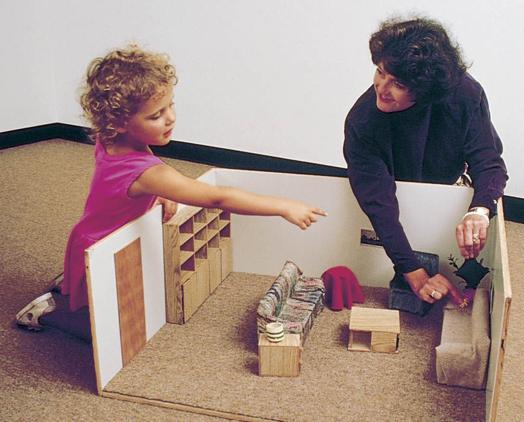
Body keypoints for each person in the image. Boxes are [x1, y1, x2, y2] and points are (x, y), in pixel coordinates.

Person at [15, 45, 326, 340]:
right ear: (119, 123)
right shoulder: (149, 173)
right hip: (103, 249)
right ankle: (46, 312)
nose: (170, 118)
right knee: (116, 334)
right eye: (155, 115)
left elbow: (120, 189)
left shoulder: (110, 140)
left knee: (110, 302)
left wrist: (155, 195)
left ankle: (71, 287)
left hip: (89, 236)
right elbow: (218, 198)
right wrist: (283, 206)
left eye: (170, 105)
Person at [343, 16, 507, 306]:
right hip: (396, 185)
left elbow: (489, 162)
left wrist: (479, 210)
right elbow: (378, 202)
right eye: (380, 72)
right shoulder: (362, 122)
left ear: (423, 89)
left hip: (445, 185)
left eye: (398, 83)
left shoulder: (465, 95)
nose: (382, 88)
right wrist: (412, 271)